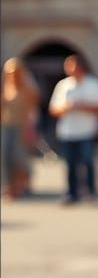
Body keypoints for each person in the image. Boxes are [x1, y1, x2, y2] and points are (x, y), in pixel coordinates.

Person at [48, 54, 98, 205]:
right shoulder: (63, 85)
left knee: (88, 162)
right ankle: (72, 193)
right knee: (70, 163)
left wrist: (83, 106)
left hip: (87, 130)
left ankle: (90, 192)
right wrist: (66, 108)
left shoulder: (94, 84)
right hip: (67, 131)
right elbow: (53, 109)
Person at [1, 57, 41, 200]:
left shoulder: (28, 88)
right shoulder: (5, 88)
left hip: (22, 126)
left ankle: (20, 187)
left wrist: (30, 129)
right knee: (5, 156)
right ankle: (8, 186)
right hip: (6, 126)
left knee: (19, 157)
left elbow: (33, 111)